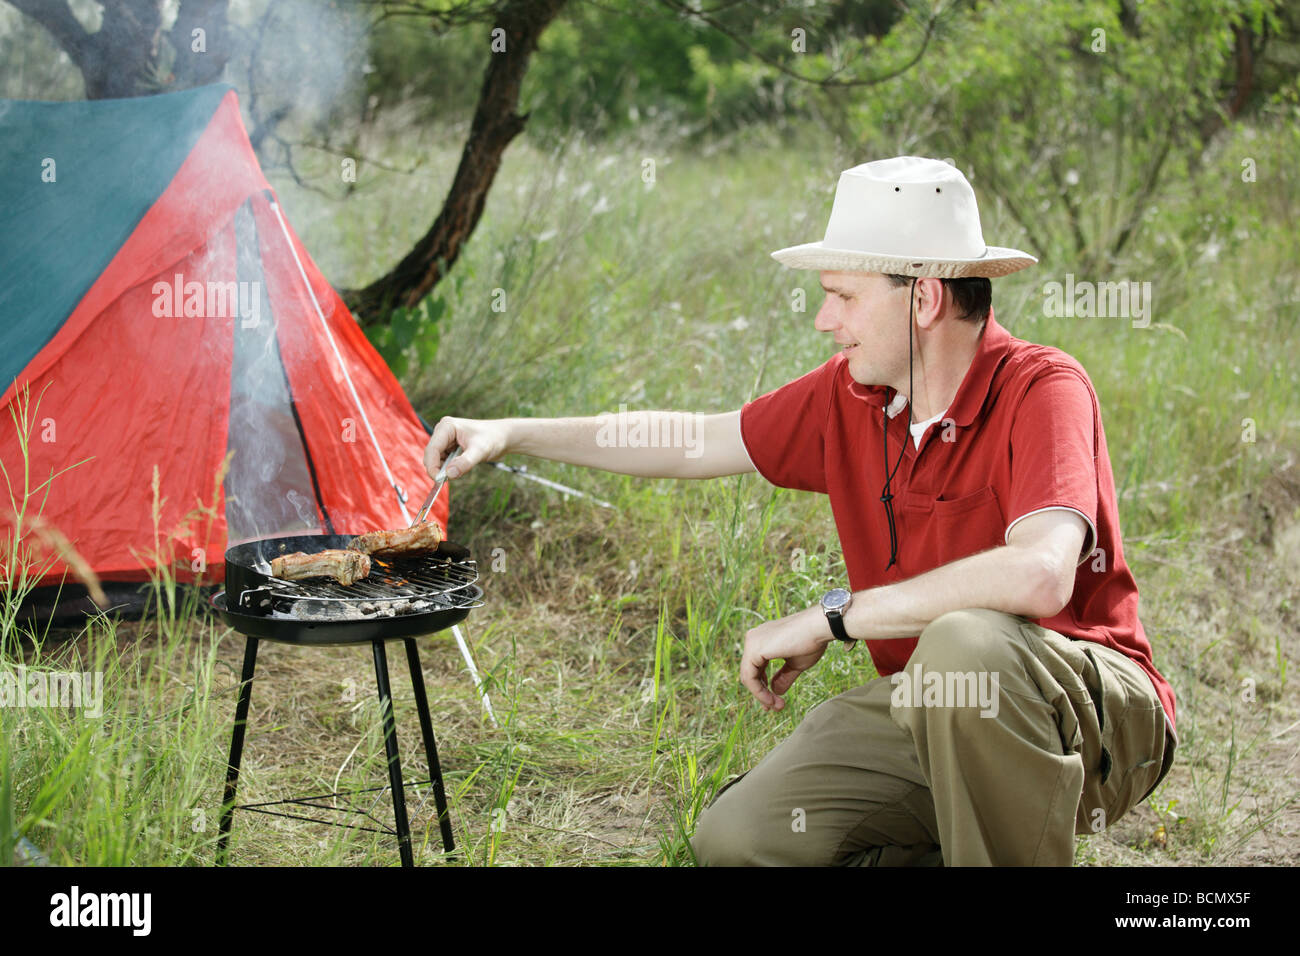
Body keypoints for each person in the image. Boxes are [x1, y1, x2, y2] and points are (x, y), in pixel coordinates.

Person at [422, 156, 1177, 866]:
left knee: (964, 643)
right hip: (931, 706)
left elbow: (1042, 575)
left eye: (843, 295)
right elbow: (694, 440)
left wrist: (835, 615)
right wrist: (515, 433)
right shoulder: (852, 397)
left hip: (1094, 716)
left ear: (924, 297)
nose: (825, 320)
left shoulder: (1042, 387)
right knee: (742, 839)